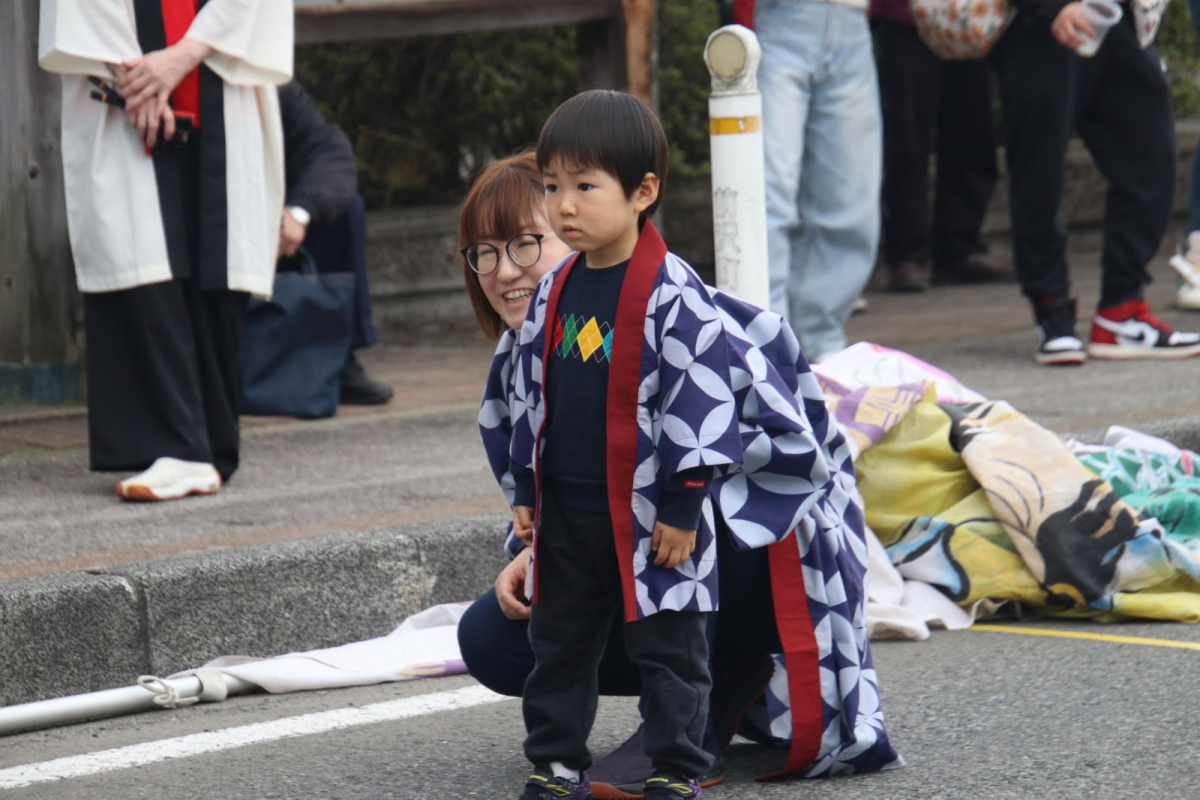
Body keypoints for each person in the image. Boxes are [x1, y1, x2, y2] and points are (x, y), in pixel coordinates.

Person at [462, 105, 900, 799]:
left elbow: (720, 422)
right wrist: (528, 505)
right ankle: (556, 763)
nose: (503, 269)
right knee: (528, 639)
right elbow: (528, 427)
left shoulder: (684, 301)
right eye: (484, 252)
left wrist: (686, 503)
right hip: (580, 516)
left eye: (524, 242)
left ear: (641, 194)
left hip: (697, 529)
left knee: (671, 637)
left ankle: (684, 751)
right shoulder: (547, 307)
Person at [38, 0, 293, 501]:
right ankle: (179, 445)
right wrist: (134, 80)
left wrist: (183, 55)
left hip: (218, 72)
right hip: (124, 91)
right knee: (142, 258)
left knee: (217, 256)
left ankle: (208, 447)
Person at [992, 0, 1200, 364]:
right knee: (1038, 170)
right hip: (1042, 23)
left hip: (1117, 16)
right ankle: (1052, 313)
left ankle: (1121, 312)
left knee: (1151, 154)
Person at [733, 0, 882, 361]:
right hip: (779, 16)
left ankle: (821, 342)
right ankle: (767, 345)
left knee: (852, 196)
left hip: (852, 20)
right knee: (766, 192)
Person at [873, 0, 1013, 292]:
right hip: (905, 18)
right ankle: (907, 254)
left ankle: (960, 247)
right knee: (906, 139)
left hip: (971, 19)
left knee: (973, 131)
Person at [276, 81, 393, 405]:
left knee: (344, 208)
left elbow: (328, 148)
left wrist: (298, 213)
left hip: (275, 235)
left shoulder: (273, 88)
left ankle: (339, 357)